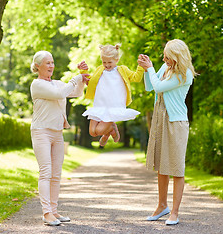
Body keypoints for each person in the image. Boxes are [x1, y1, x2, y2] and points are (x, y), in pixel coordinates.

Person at [138, 39, 196, 225]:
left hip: (176, 122)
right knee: (162, 166)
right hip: (160, 118)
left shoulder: (185, 74)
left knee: (177, 169)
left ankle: (175, 213)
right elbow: (150, 86)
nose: (164, 58)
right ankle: (162, 206)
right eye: (164, 55)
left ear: (177, 57)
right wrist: (148, 69)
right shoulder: (165, 68)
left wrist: (150, 68)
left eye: (168, 56)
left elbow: (159, 87)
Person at [30, 50, 89, 226]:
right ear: (38, 66)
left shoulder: (56, 83)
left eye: (52, 62)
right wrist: (76, 78)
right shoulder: (37, 84)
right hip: (41, 132)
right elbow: (59, 93)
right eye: (47, 63)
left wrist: (81, 79)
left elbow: (75, 92)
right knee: (46, 172)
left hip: (57, 132)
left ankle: (54, 211)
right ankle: (46, 213)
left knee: (56, 174)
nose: (51, 66)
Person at [79, 44, 145, 146]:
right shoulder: (100, 70)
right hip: (100, 106)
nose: (107, 65)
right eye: (104, 62)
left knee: (100, 131)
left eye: (110, 62)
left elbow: (136, 77)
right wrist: (83, 70)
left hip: (113, 108)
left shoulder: (122, 70)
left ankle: (109, 131)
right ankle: (111, 129)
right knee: (92, 132)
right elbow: (90, 81)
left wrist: (141, 66)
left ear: (117, 59)